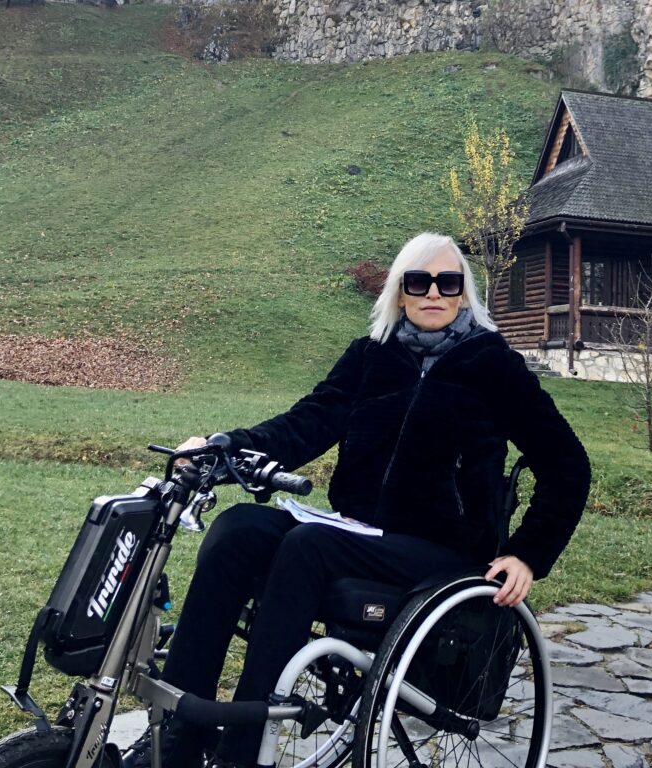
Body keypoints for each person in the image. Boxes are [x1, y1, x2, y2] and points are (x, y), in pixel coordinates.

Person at [125, 232, 591, 768]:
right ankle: (180, 738)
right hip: (360, 534)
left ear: (464, 293)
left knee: (308, 546)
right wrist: (222, 447)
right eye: (419, 281)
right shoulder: (371, 358)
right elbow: (307, 422)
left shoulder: (494, 367)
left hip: (443, 553)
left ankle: (242, 753)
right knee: (238, 530)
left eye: (448, 282)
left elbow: (567, 465)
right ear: (399, 292)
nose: (433, 292)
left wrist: (529, 552)